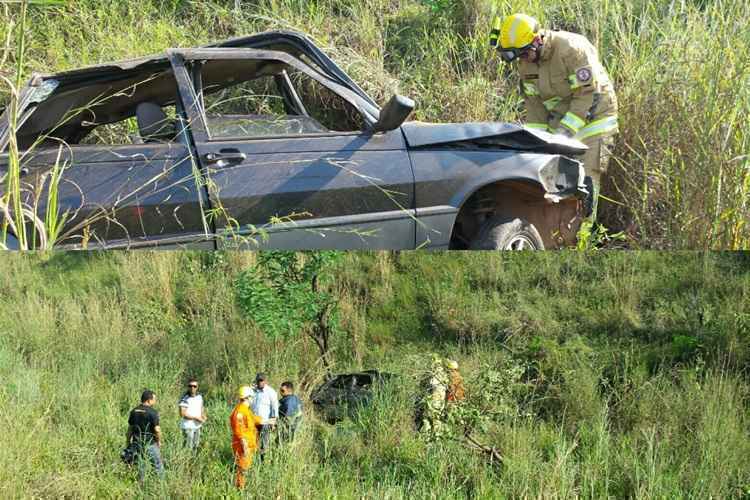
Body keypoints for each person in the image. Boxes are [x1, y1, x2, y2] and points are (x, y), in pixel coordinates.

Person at [490, 13, 619, 215]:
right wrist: (536, 142)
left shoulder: (571, 49)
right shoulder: (526, 60)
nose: (522, 60)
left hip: (595, 119)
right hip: (562, 121)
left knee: (585, 179)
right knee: (553, 179)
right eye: (517, 56)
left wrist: (563, 133)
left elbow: (587, 95)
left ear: (537, 40)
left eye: (524, 54)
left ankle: (583, 238)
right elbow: (534, 105)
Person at [229, 385, 268, 489]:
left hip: (248, 446)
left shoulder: (246, 410)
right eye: (251, 397)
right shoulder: (240, 412)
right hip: (242, 447)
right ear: (247, 397)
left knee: (245, 467)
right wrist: (245, 446)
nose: (252, 399)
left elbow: (254, 419)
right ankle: (239, 489)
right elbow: (239, 432)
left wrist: (268, 421)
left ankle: (242, 486)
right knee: (242, 468)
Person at [126, 389, 164, 485]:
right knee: (158, 464)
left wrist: (128, 442)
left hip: (137, 443)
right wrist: (158, 441)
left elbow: (130, 429)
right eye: (154, 399)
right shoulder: (152, 412)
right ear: (149, 400)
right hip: (149, 443)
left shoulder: (133, 411)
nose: (155, 401)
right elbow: (157, 430)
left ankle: (141, 485)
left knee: (141, 465)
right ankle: (160, 485)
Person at [251, 373, 279, 462]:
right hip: (254, 422)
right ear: (256, 381)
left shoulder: (271, 392)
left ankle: (262, 462)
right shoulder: (253, 391)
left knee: (264, 444)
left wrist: (273, 422)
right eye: (259, 380)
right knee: (253, 443)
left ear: (266, 381)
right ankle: (254, 461)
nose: (260, 382)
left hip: (265, 422)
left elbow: (275, 408)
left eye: (262, 380)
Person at [178, 378, 206, 451]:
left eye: (194, 386)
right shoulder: (184, 398)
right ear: (188, 387)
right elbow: (182, 413)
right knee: (188, 447)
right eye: (190, 386)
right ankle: (186, 461)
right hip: (188, 427)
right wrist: (196, 418)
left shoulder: (199, 397)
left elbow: (201, 407)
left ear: (197, 387)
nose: (192, 388)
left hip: (197, 426)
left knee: (196, 446)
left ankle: (193, 461)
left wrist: (203, 415)